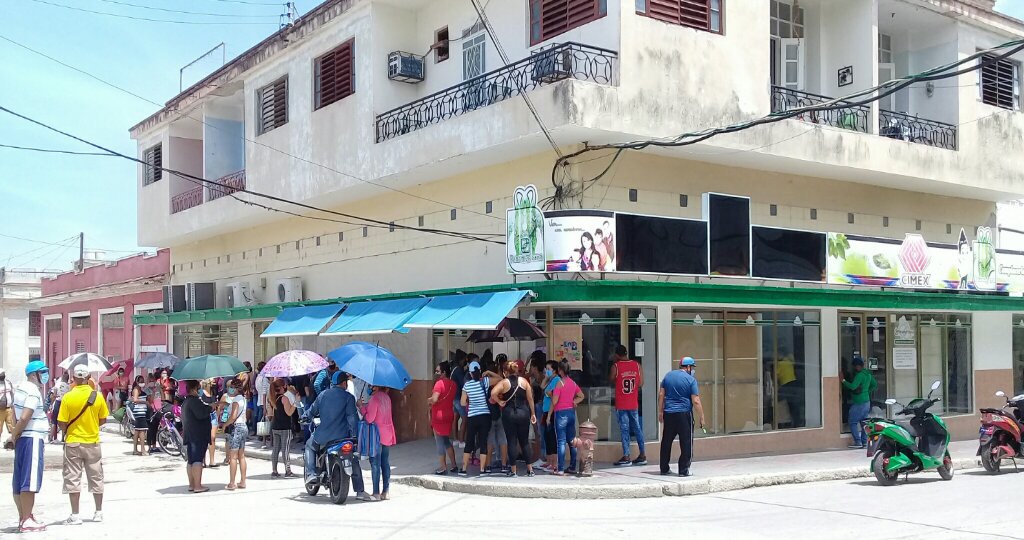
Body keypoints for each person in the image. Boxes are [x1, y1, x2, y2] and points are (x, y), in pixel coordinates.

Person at [304, 371, 370, 501]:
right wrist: (355, 437)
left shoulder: (323, 395)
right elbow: (352, 418)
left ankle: (311, 473)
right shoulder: (348, 397)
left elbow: (311, 411)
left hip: (324, 436)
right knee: (353, 458)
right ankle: (360, 491)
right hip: (343, 437)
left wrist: (304, 417)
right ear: (344, 383)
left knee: (309, 446)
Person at [58, 365, 109, 525]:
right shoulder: (97, 396)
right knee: (96, 476)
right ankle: (98, 512)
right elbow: (103, 419)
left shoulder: (68, 397)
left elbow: (61, 422)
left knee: (73, 478)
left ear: (74, 378)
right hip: (92, 442)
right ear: (88, 378)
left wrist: (69, 429)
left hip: (73, 442)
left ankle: (75, 515)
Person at [8, 360, 50, 532]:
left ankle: (23, 517)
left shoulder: (21, 388)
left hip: (23, 439)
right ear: (34, 374)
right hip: (32, 437)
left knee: (19, 481)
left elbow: (14, 415)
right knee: (29, 480)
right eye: (43, 372)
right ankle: (26, 519)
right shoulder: (33, 391)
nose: (46, 375)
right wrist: (13, 435)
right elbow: (25, 416)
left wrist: (15, 435)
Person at [659, 357, 705, 477]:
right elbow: (695, 400)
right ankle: (684, 470)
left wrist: (660, 412)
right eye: (692, 368)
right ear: (688, 367)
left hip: (669, 413)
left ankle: (664, 468)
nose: (693, 370)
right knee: (686, 442)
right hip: (684, 414)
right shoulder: (691, 380)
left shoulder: (668, 376)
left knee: (666, 441)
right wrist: (702, 416)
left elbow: (661, 395)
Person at [491, 360, 536, 477]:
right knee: (524, 442)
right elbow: (530, 398)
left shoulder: (504, 383)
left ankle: (513, 470)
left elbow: (493, 393)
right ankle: (530, 469)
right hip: (524, 413)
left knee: (511, 441)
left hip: (509, 413)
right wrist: (533, 413)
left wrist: (500, 401)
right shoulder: (524, 381)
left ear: (505, 372)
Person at [611, 344, 646, 466]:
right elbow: (641, 383)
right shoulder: (637, 365)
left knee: (624, 429)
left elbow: (611, 379)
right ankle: (642, 454)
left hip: (621, 404)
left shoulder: (616, 366)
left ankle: (626, 456)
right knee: (637, 429)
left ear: (617, 355)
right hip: (633, 403)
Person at [360, 385, 395, 501]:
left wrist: (361, 407)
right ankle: (386, 491)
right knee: (385, 462)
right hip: (388, 433)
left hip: (377, 435)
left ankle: (376, 493)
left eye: (372, 386)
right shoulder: (387, 397)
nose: (370, 388)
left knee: (375, 463)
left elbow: (370, 418)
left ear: (377, 387)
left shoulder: (374, 399)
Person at [550, 360, 584, 475]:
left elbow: (554, 401)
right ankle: (572, 467)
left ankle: (560, 469)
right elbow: (581, 396)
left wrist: (552, 394)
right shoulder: (573, 383)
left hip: (560, 414)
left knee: (561, 442)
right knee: (572, 441)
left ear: (560, 370)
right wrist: (574, 401)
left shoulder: (559, 383)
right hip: (571, 413)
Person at [459, 361, 492, 476]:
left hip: (472, 417)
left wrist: (471, 401)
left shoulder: (467, 385)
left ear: (471, 373)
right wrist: (488, 372)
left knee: (469, 442)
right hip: (485, 416)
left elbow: (463, 403)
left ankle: (463, 469)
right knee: (483, 442)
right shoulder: (486, 382)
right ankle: (482, 469)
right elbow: (499, 378)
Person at [180, 380, 212, 493]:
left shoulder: (186, 402)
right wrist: (210, 408)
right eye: (199, 388)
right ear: (194, 389)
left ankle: (192, 484)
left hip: (190, 434)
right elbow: (201, 414)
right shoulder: (194, 401)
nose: (200, 390)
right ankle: (197, 485)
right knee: (197, 460)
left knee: (191, 461)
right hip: (197, 435)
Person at [427, 361, 458, 475]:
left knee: (439, 441)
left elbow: (434, 399)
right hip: (449, 414)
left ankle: (443, 467)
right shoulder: (453, 384)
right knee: (446, 441)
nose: (436, 373)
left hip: (438, 415)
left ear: (444, 372)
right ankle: (454, 464)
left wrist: (428, 400)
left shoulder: (439, 383)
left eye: (438, 371)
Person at [842, 355, 876, 449]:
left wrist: (843, 381)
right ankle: (864, 442)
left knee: (852, 422)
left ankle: (858, 442)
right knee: (864, 422)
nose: (854, 368)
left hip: (859, 402)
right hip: (866, 401)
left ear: (857, 366)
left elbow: (853, 386)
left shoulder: (859, 375)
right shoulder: (868, 374)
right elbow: (874, 385)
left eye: (854, 366)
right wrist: (866, 391)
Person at [266, 378, 297, 478]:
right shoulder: (284, 398)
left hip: (275, 426)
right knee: (285, 449)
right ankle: (288, 471)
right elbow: (289, 412)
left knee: (276, 449)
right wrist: (296, 402)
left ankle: (274, 471)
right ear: (282, 387)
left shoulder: (272, 398)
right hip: (285, 427)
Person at [223, 378, 248, 490]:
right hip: (243, 426)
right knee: (241, 456)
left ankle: (232, 482)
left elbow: (233, 417)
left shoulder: (236, 401)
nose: (230, 389)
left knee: (233, 456)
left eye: (232, 387)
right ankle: (242, 481)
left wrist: (224, 425)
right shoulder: (243, 398)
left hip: (236, 427)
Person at [540, 360, 561, 471]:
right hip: (545, 410)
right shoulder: (550, 380)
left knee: (552, 436)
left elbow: (553, 395)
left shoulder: (557, 380)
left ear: (554, 370)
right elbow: (542, 387)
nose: (546, 371)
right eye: (546, 369)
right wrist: (546, 377)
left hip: (551, 412)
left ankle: (554, 462)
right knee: (546, 437)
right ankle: (548, 461)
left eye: (548, 369)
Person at [199, 379, 220, 467]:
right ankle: (203, 460)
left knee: (212, 438)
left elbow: (216, 404)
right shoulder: (200, 392)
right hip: (204, 415)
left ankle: (212, 460)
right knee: (203, 438)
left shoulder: (213, 391)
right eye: (211, 381)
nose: (213, 382)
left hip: (213, 415)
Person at [450, 350, 468, 448]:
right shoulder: (458, 370)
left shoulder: (454, 368)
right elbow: (463, 383)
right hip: (458, 397)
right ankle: (461, 441)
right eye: (465, 359)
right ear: (461, 359)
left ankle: (456, 439)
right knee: (464, 418)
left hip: (454, 397)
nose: (465, 361)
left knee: (455, 418)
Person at [49, 372, 71, 443]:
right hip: (65, 403)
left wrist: (51, 404)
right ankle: (63, 438)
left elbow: (53, 395)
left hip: (58, 402)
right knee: (64, 421)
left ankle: (51, 437)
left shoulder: (57, 384)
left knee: (54, 421)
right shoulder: (69, 386)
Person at [129, 388, 152, 455]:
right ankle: (143, 450)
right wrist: (145, 402)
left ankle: (135, 450)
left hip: (140, 412)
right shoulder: (136, 390)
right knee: (142, 430)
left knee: (137, 431)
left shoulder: (141, 390)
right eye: (141, 381)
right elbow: (135, 400)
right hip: (139, 412)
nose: (142, 382)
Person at [253, 361, 270, 449]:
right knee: (264, 421)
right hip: (264, 402)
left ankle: (261, 435)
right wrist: (265, 406)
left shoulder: (258, 377)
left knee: (261, 419)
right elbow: (264, 392)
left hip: (259, 400)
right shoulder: (264, 378)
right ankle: (263, 437)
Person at [0, 368, 15, 442]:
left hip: (9, 408)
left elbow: (12, 393)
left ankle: (11, 442)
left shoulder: (8, 383)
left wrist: (13, 403)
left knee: (11, 426)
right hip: (0, 410)